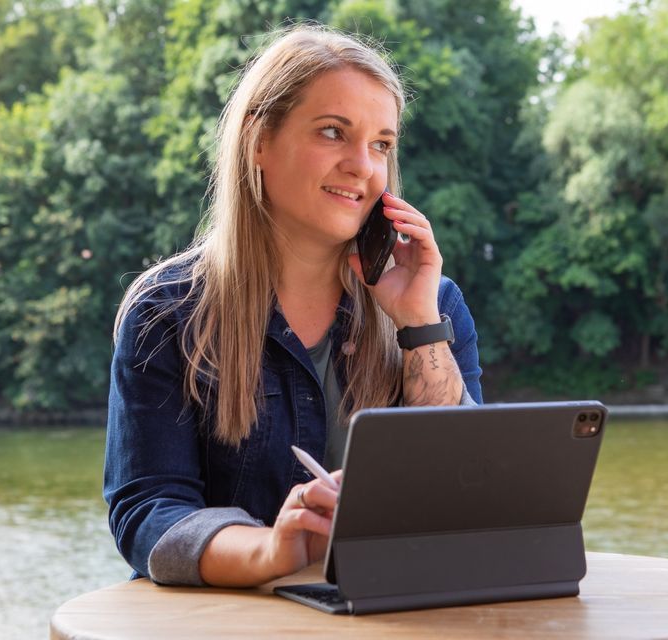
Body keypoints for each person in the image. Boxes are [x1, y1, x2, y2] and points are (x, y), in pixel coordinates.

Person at [103, 24, 483, 589]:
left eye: (382, 144)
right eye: (334, 132)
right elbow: (150, 513)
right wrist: (273, 550)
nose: (364, 165)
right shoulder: (168, 313)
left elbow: (476, 492)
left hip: (395, 617)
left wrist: (419, 326)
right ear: (259, 140)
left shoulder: (434, 303)